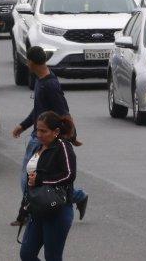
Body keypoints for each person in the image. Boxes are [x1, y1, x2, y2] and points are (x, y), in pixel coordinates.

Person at [11, 46, 87, 226]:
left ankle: (27, 213)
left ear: (31, 62)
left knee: (27, 178)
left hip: (44, 138)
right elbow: (38, 110)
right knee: (36, 176)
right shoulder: (40, 81)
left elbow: (63, 111)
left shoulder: (50, 85)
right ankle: (77, 196)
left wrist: (71, 136)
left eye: (27, 61)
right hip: (37, 135)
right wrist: (23, 125)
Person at [18, 111, 77, 261]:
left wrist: (42, 180)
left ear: (56, 131)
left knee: (52, 257)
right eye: (37, 130)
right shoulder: (38, 147)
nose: (39, 134)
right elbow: (31, 180)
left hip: (57, 209)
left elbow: (69, 175)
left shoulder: (63, 146)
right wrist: (24, 207)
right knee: (27, 254)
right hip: (37, 208)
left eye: (44, 131)